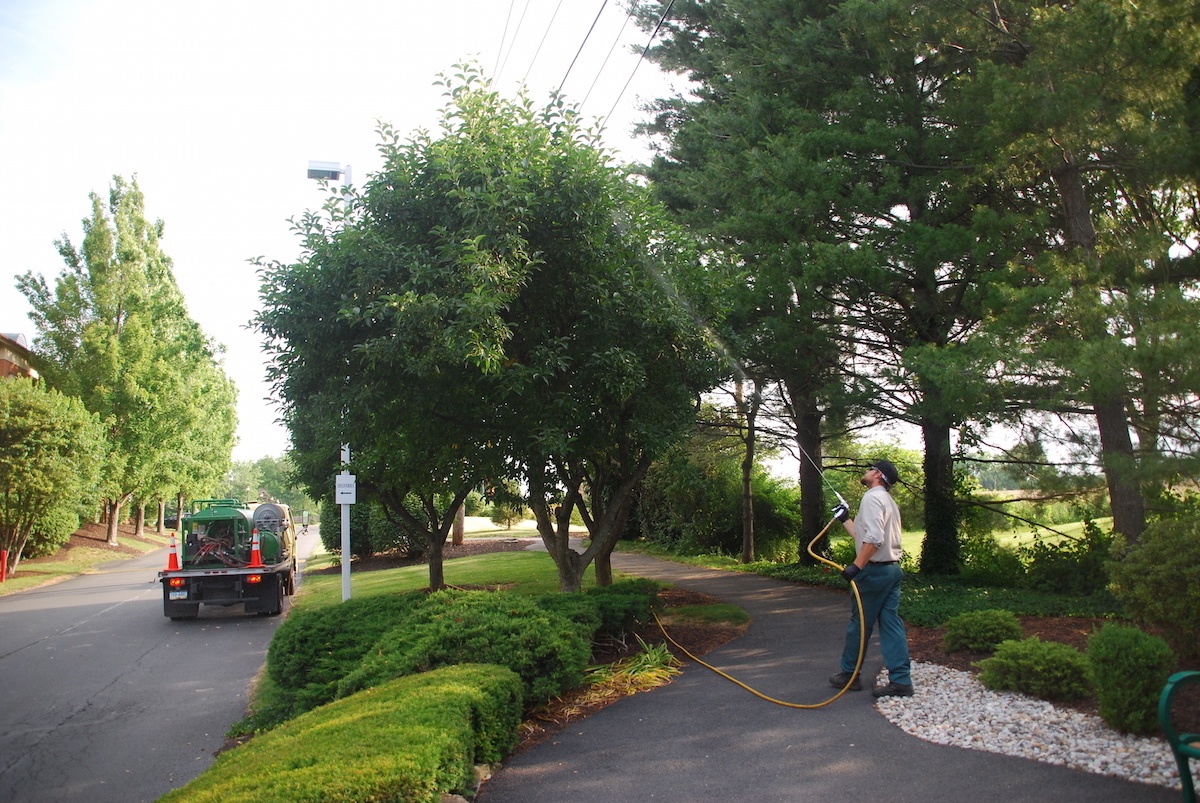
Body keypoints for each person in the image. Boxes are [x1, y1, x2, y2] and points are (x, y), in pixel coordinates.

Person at [827, 458, 914, 698]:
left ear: (877, 474)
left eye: (869, 468)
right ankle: (901, 681)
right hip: (892, 570)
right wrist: (845, 519)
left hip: (874, 573)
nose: (865, 471)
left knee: (859, 626)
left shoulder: (872, 498)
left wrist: (856, 566)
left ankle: (849, 675)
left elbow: (873, 540)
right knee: (891, 624)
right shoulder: (887, 500)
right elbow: (863, 536)